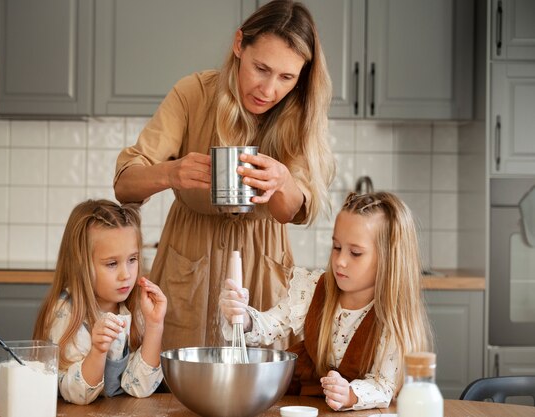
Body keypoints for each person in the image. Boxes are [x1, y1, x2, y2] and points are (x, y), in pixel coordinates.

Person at [113, 0, 336, 350]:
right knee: (174, 380)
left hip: (261, 259)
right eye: (261, 68)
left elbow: (287, 212)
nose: (269, 89)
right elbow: (125, 185)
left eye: (286, 77)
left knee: (259, 381)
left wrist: (282, 182)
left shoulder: (299, 112)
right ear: (238, 46)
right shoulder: (193, 93)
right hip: (189, 255)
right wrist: (172, 172)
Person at [219, 191, 433, 411]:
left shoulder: (392, 319)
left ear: (390, 259)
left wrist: (350, 395)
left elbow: (384, 385)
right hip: (303, 405)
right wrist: (242, 316)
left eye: (356, 253)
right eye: (337, 247)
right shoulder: (313, 289)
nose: (340, 261)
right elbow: (269, 326)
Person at [33, 200, 167, 405]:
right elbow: (78, 395)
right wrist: (98, 350)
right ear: (81, 265)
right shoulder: (66, 313)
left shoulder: (135, 307)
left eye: (132, 259)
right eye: (112, 263)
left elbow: (140, 386)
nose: (126, 275)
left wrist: (155, 325)